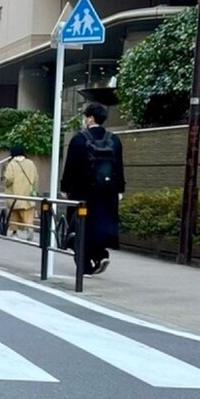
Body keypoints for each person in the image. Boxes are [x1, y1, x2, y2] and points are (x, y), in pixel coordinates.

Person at [61, 101, 125, 274]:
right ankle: (101, 254)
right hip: (108, 192)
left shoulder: (79, 139)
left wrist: (65, 187)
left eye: (85, 117)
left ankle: (85, 265)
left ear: (90, 119)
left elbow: (71, 166)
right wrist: (120, 189)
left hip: (83, 192)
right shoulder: (114, 140)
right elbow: (119, 167)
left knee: (80, 226)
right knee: (101, 224)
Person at [2, 143, 38, 239]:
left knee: (14, 214)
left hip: (15, 194)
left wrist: (5, 183)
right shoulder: (30, 163)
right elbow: (35, 177)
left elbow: (9, 179)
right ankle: (29, 227)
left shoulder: (12, 164)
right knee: (28, 213)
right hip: (27, 194)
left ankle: (14, 232)